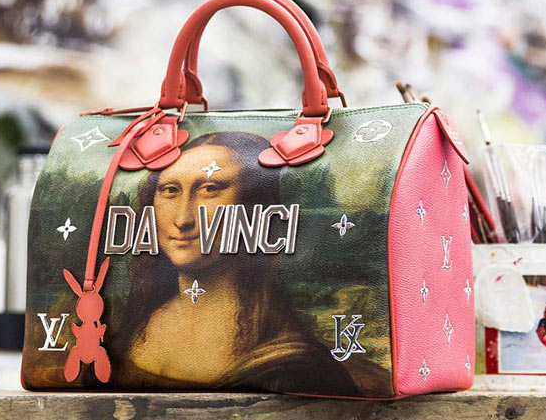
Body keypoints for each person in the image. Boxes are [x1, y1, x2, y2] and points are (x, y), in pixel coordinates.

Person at [111, 131, 363, 396]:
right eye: (170, 190)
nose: (183, 219)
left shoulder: (290, 362)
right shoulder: (139, 323)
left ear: (255, 205)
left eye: (210, 189)